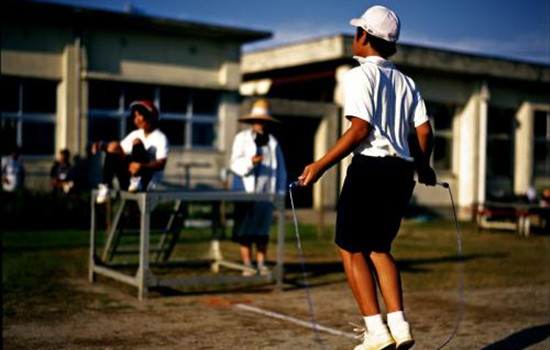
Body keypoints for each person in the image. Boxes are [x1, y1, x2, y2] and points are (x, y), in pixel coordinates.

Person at [297, 5, 436, 350]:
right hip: (401, 172)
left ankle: (375, 330)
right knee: (379, 249)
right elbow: (424, 131)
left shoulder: (358, 75)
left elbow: (359, 130)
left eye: (357, 31)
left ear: (365, 37)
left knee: (349, 247)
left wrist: (320, 165)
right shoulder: (407, 82)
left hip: (371, 168)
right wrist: (423, 166)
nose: (353, 37)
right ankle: (399, 326)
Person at [230, 99, 287, 276]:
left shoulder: (273, 142)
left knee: (262, 231)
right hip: (245, 192)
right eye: (257, 120)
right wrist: (250, 163)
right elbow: (234, 163)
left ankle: (261, 263)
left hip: (266, 193)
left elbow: (281, 170)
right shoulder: (241, 138)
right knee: (245, 230)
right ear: (252, 121)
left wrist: (280, 194)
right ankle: (247, 264)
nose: (260, 123)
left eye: (263, 120)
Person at [91, 100, 169, 203]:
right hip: (128, 179)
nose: (137, 119)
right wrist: (102, 146)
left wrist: (142, 166)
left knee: (137, 143)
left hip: (146, 181)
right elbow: (119, 151)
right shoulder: (135, 133)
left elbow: (161, 164)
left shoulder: (160, 138)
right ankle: (106, 185)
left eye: (140, 115)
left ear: (151, 116)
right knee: (114, 145)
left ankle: (137, 179)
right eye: (135, 116)